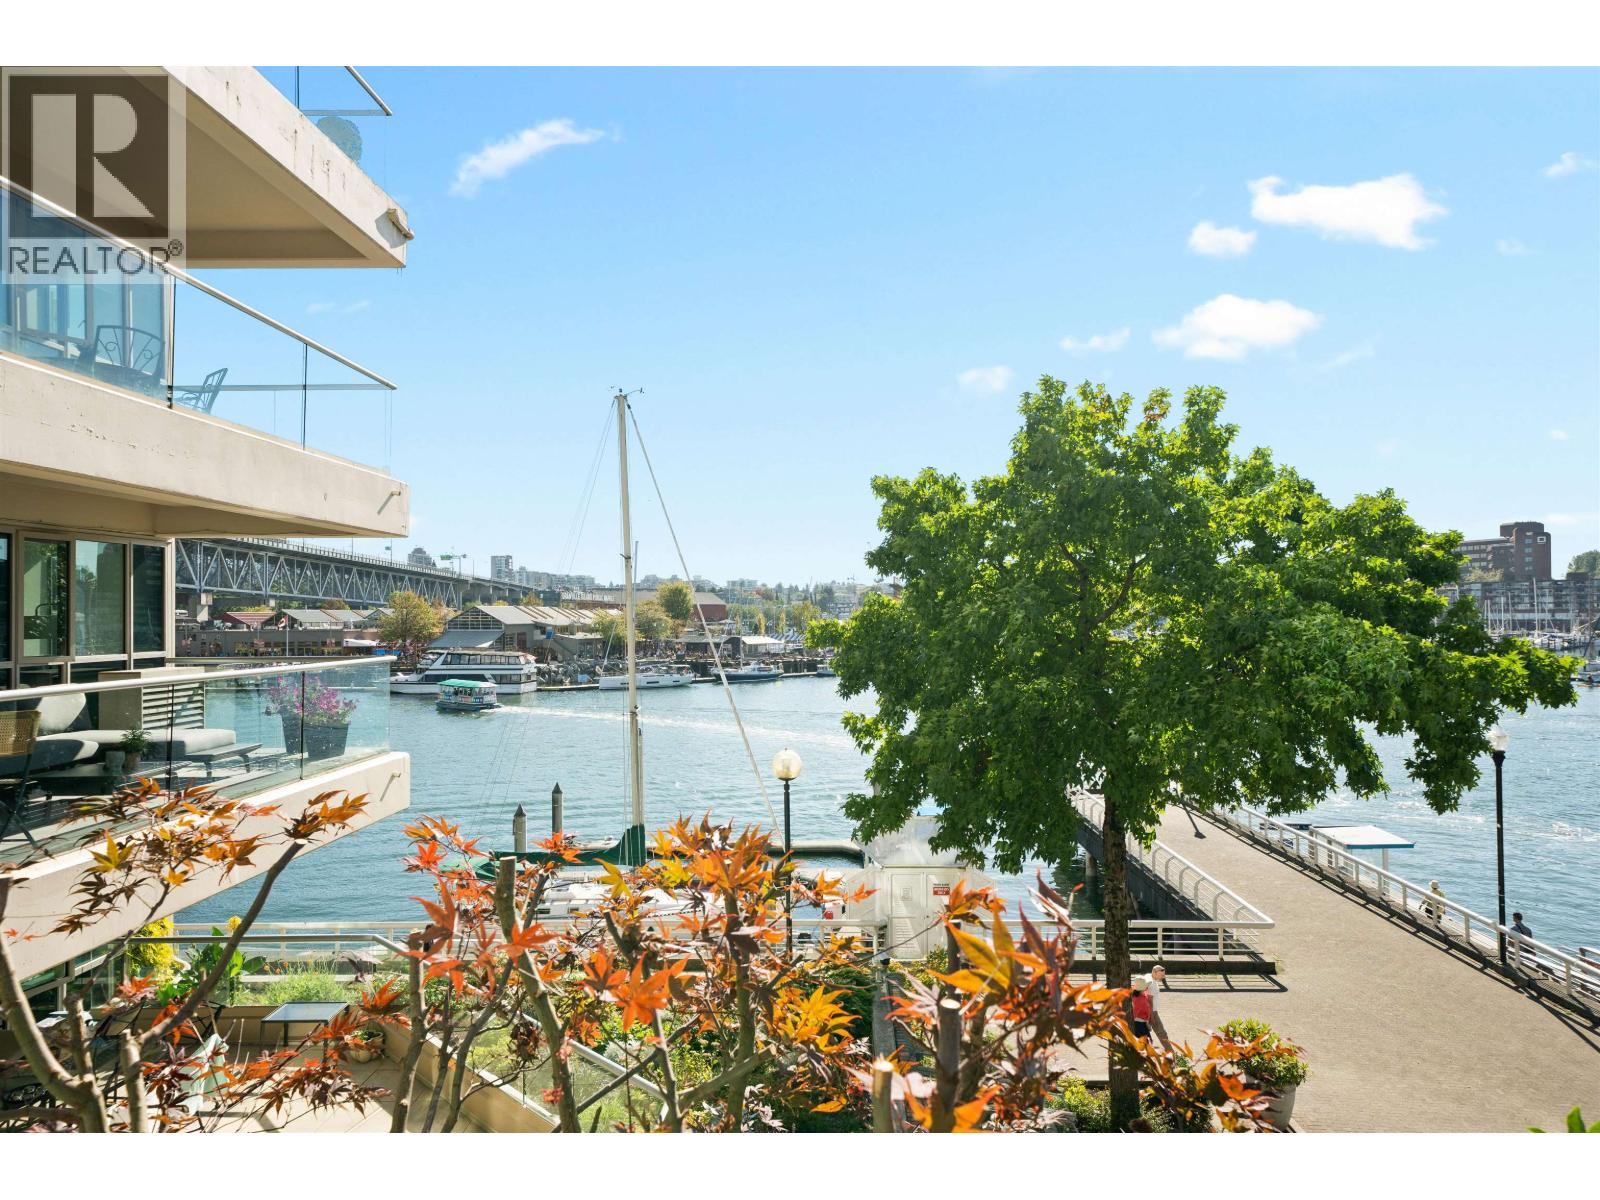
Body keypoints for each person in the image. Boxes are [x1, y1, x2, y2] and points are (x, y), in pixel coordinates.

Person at [1145, 964, 1170, 1047]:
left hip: (1146, 1011)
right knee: (1162, 1033)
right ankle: (1170, 1052)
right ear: (1155, 972)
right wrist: (1151, 1016)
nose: (1163, 977)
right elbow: (1149, 1000)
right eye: (1161, 975)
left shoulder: (1148, 976)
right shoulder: (1152, 984)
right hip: (1152, 1012)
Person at [1129, 975, 1152, 1042]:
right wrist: (1148, 1021)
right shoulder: (1142, 999)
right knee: (1147, 1043)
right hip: (1141, 1023)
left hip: (1137, 1022)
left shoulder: (1135, 996)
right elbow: (1147, 1011)